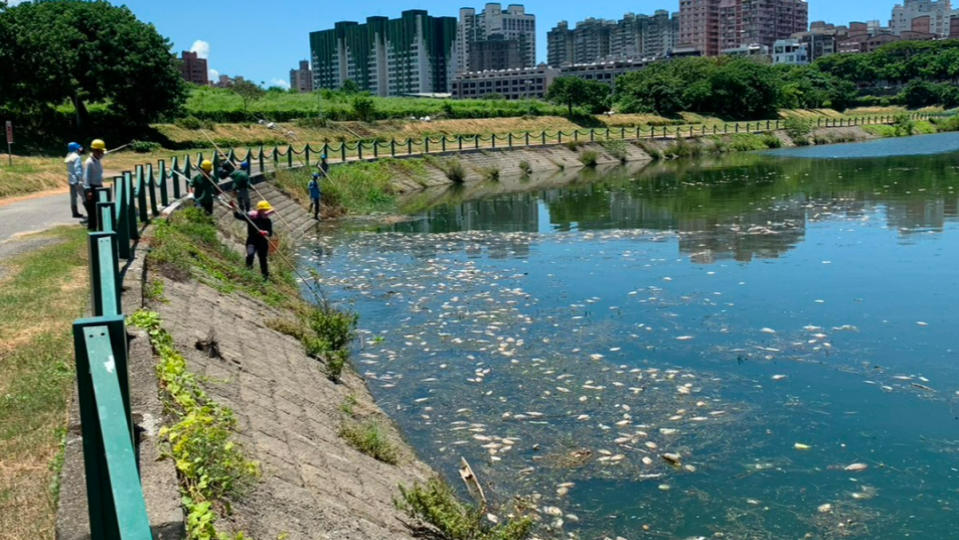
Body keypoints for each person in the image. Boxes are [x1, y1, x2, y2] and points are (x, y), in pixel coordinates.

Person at [232, 199, 273, 279]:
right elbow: (237, 216)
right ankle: (248, 274)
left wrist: (265, 232)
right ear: (260, 210)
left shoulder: (268, 221)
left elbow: (270, 233)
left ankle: (265, 277)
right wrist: (234, 208)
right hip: (252, 241)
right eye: (265, 210)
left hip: (263, 243)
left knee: (263, 260)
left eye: (267, 210)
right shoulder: (251, 217)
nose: (267, 212)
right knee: (250, 256)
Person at [83, 139, 106, 231]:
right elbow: (86, 177)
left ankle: (99, 226)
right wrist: (88, 190)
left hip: (98, 186)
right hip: (91, 188)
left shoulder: (97, 160)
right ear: (95, 151)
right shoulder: (89, 162)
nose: (102, 154)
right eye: (101, 151)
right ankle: (92, 228)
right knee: (92, 210)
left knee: (99, 209)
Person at [65, 142, 85, 219]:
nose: (80, 150)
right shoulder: (77, 157)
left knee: (73, 197)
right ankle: (90, 212)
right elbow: (78, 170)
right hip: (77, 180)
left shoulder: (68, 156)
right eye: (78, 148)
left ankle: (75, 212)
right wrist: (81, 179)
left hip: (71, 180)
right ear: (76, 149)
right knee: (84, 196)